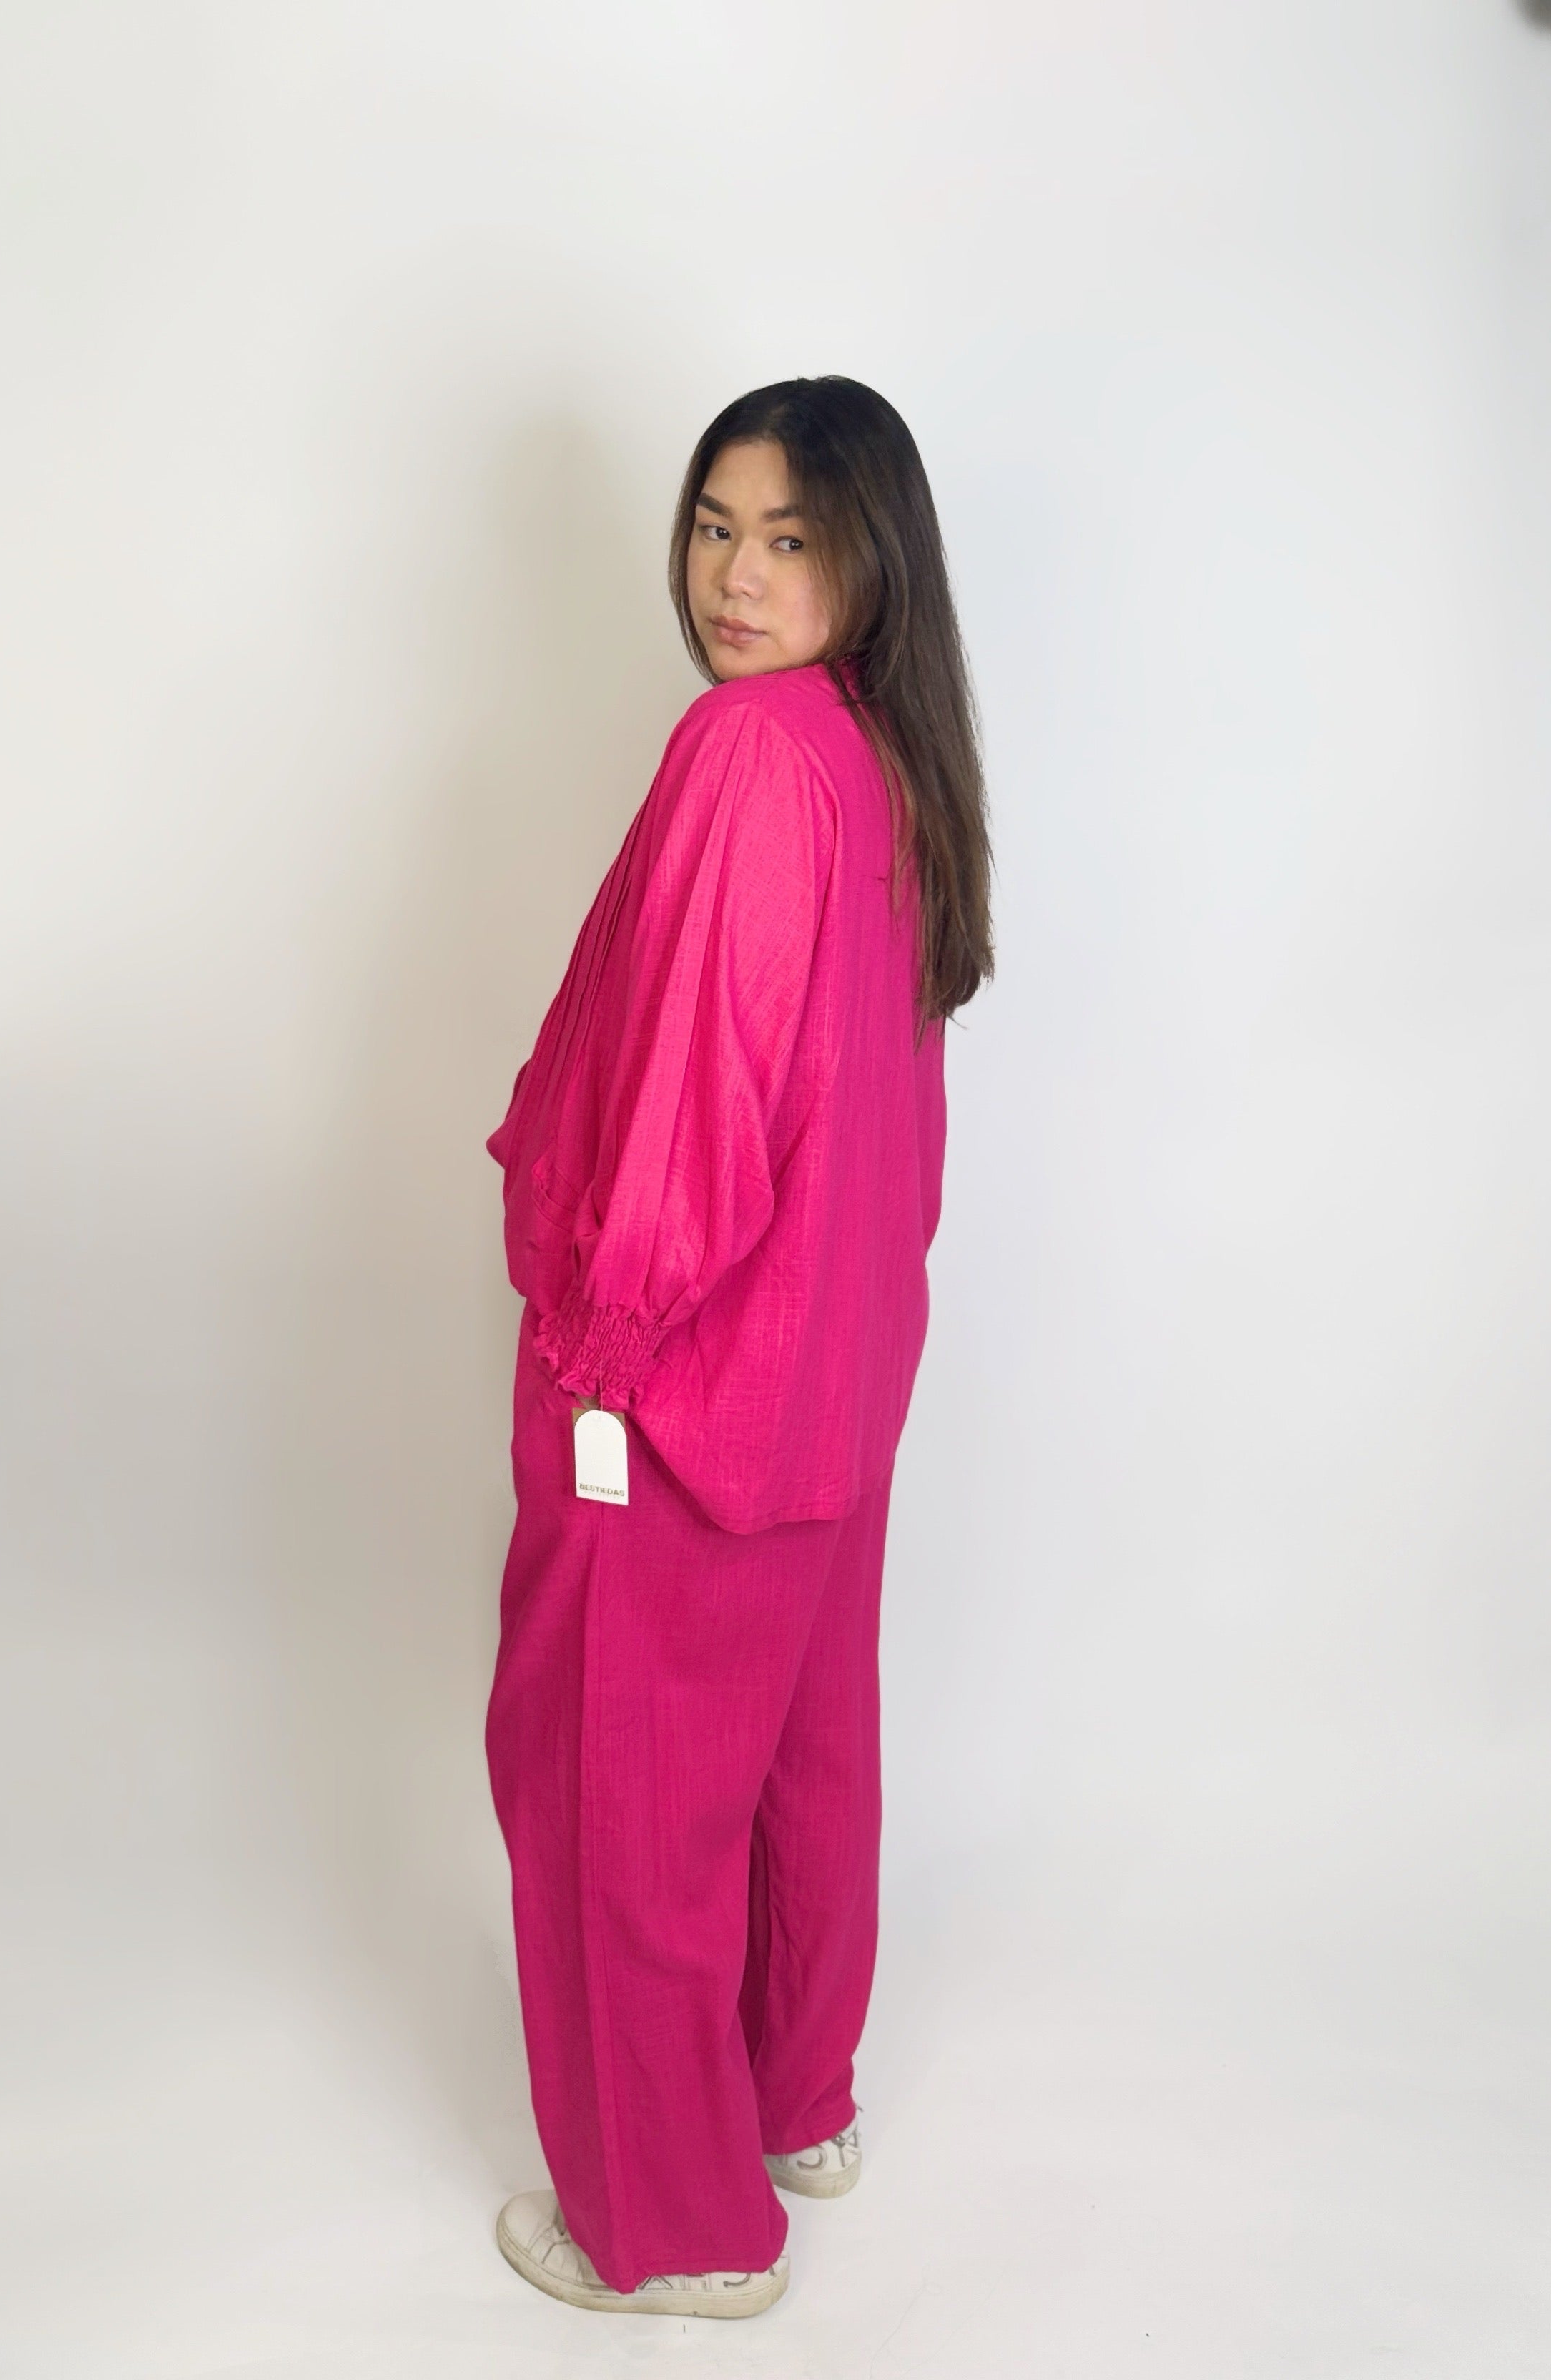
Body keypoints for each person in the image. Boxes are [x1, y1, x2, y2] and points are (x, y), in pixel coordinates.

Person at [482, 375, 993, 2318]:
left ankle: (668, 2226)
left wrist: (600, 1355)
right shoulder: (887, 760)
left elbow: (698, 1098)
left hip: (684, 1393)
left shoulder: (749, 751)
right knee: (798, 1759)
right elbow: (881, 1113)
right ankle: (793, 2105)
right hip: (830, 1388)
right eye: (714, 526)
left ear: (874, 558)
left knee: (619, 1804)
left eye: (790, 537)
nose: (736, 575)